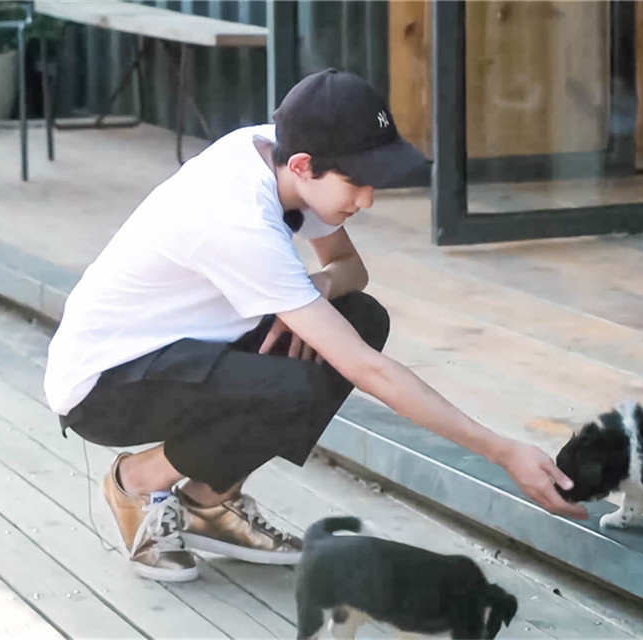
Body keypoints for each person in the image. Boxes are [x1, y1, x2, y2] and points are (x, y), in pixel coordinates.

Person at [44, 68, 588, 582]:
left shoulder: (275, 152)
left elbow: (350, 269)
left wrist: (316, 290)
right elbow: (370, 372)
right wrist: (500, 450)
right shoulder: (237, 219)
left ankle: (208, 503)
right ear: (304, 165)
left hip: (184, 352)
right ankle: (137, 480)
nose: (368, 199)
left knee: (361, 318)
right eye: (358, 182)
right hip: (105, 386)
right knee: (297, 382)